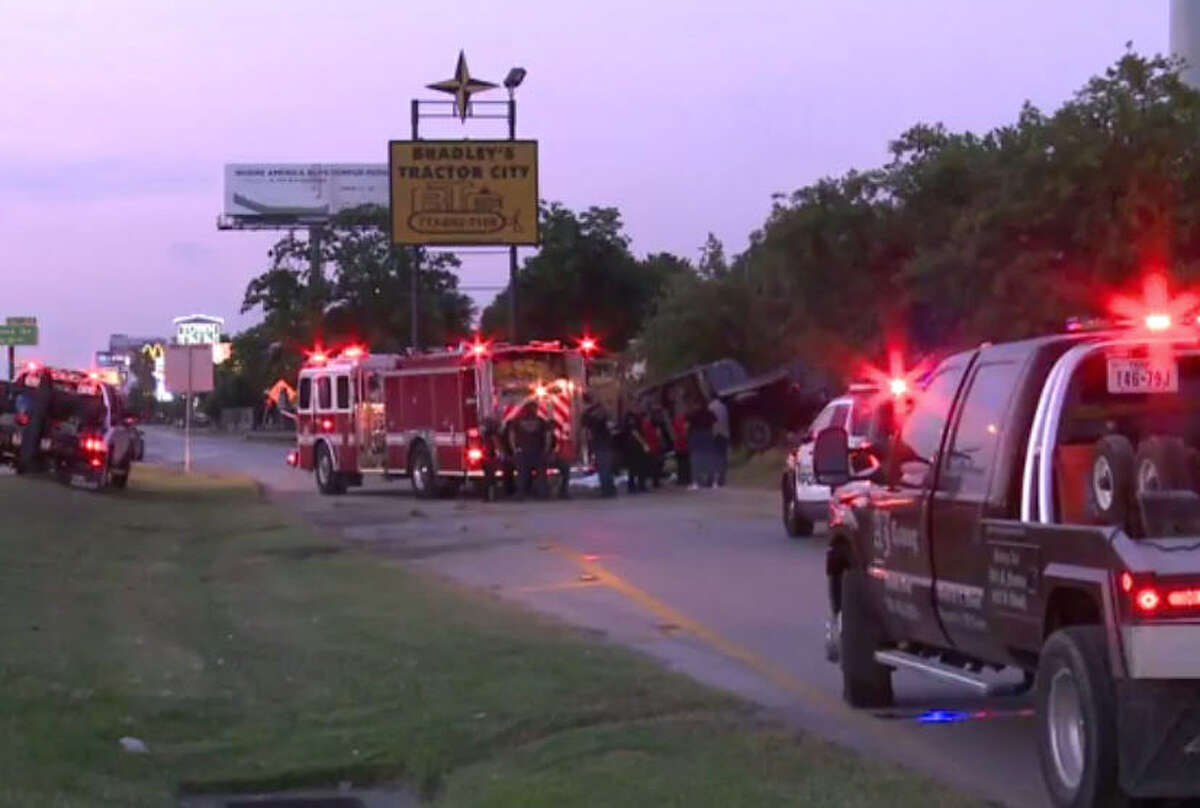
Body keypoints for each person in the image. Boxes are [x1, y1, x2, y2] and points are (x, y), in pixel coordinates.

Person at [508, 400, 551, 500]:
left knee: (522, 474)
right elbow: (547, 437)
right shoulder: (541, 421)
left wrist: (514, 450)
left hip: (523, 452)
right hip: (537, 452)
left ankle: (521, 494)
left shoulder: (517, 421)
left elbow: (511, 437)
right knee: (540, 474)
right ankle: (542, 494)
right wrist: (546, 450)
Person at [582, 393, 617, 497]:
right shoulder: (602, 411)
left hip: (597, 442)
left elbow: (584, 427)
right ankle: (609, 489)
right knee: (606, 466)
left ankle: (607, 489)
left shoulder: (587, 413)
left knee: (603, 467)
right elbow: (611, 421)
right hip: (604, 441)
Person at [686, 398, 717, 489]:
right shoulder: (710, 413)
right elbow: (715, 423)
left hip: (696, 436)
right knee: (710, 458)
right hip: (708, 434)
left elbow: (687, 424)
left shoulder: (692, 414)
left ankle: (696, 482)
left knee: (696, 459)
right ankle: (712, 482)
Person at [620, 408, 650, 493]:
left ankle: (637, 485)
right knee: (635, 467)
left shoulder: (634, 417)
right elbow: (635, 432)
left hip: (634, 446)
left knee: (637, 467)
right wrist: (644, 443)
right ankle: (635, 486)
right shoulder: (631, 418)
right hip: (634, 446)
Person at [479, 414, 506, 501]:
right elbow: (498, 446)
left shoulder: (484, 436)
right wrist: (502, 455)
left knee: (487, 477)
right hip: (491, 459)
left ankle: (485, 496)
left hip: (485, 458)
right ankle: (491, 497)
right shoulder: (493, 436)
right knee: (491, 478)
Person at [640, 406, 664, 488]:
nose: (659, 417)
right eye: (657, 415)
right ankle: (652, 481)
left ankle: (656, 480)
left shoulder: (658, 424)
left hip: (657, 447)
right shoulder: (648, 424)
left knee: (657, 464)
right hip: (650, 446)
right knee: (652, 464)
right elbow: (647, 435)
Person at [709, 396, 730, 487]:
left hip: (714, 434)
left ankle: (711, 479)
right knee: (723, 457)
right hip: (724, 433)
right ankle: (721, 479)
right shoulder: (723, 407)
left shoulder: (709, 407)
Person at [672, 404, 690, 486]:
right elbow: (680, 433)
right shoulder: (679, 421)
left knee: (684, 462)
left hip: (684, 445)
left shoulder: (685, 421)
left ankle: (685, 478)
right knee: (682, 463)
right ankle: (683, 478)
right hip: (681, 445)